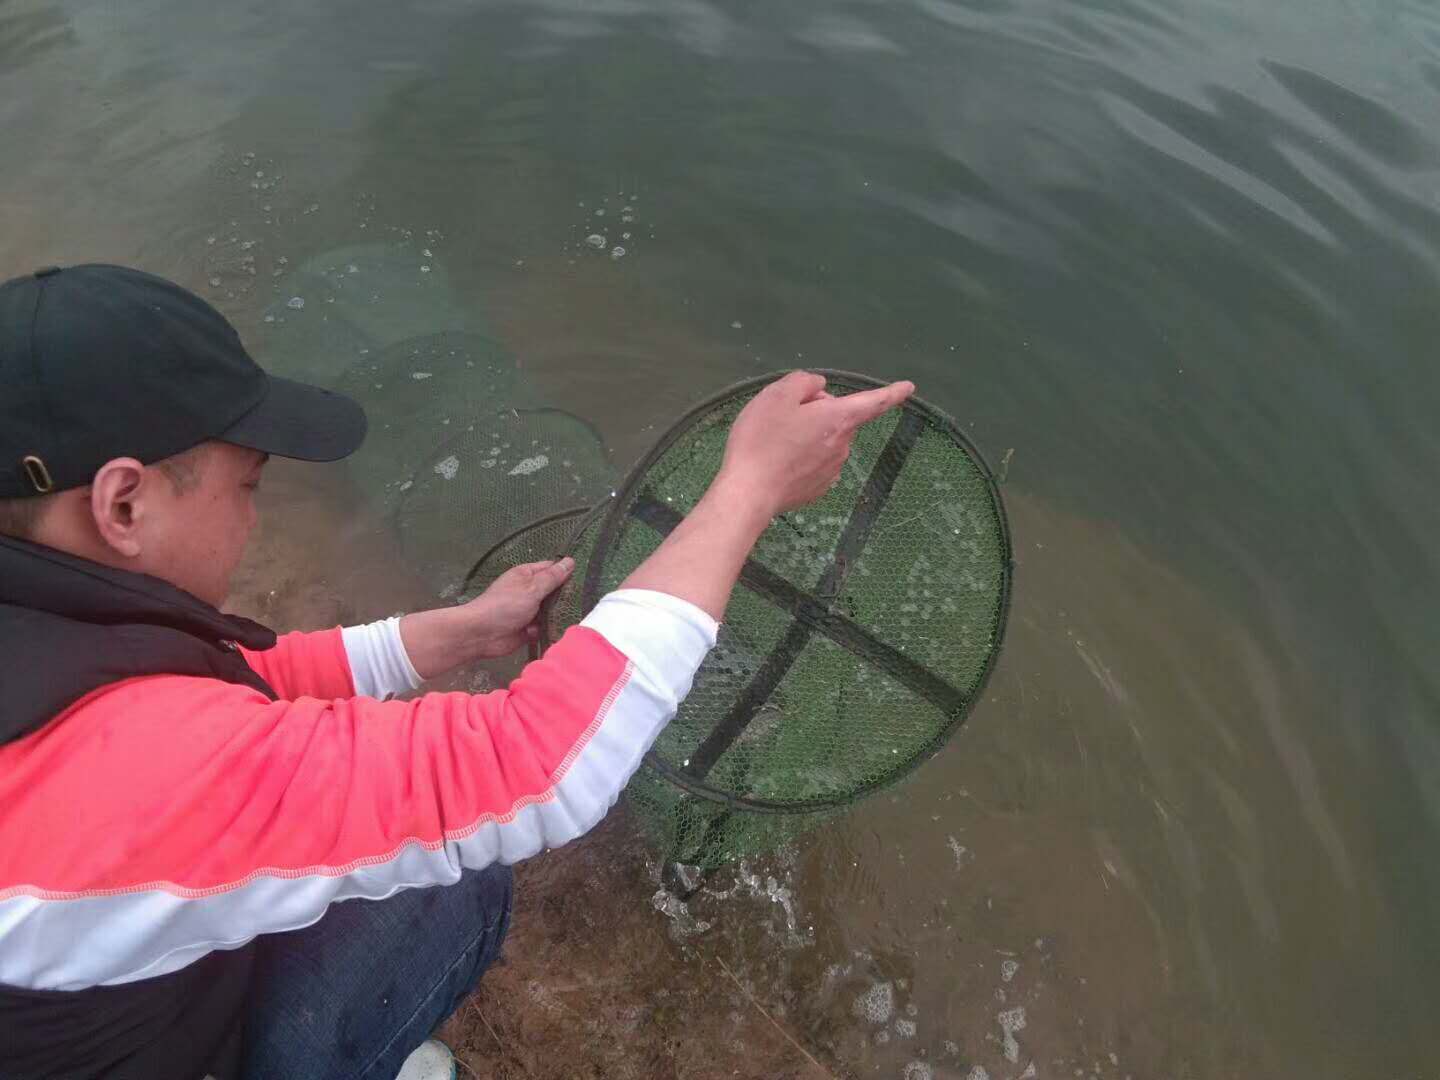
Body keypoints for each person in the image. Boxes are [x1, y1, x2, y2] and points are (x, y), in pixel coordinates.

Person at [0, 264, 913, 1080]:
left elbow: (235, 678)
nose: (254, 517)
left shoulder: (43, 622)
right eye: (247, 485)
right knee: (447, 882)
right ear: (124, 504)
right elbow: (536, 769)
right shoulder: (139, 774)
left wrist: (451, 635)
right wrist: (748, 489)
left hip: (82, 1011)